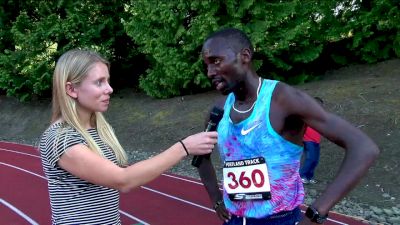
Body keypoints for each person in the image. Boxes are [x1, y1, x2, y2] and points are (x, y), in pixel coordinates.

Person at [197, 28, 379, 225]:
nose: (210, 72)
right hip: (234, 219)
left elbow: (364, 148)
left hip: (280, 219)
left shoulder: (283, 99)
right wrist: (216, 200)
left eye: (216, 61)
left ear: (245, 56)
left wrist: (315, 215)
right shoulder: (218, 110)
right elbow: (200, 157)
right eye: (207, 65)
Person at [39, 49, 218, 225]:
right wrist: (183, 148)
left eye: (108, 81)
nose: (109, 89)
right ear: (71, 89)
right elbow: (123, 180)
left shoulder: (98, 128)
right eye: (99, 82)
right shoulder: (61, 138)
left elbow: (127, 173)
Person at [300, 97, 323, 185]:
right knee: (310, 158)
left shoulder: (318, 117)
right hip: (308, 140)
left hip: (316, 140)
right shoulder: (307, 114)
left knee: (315, 160)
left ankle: (309, 177)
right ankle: (301, 176)